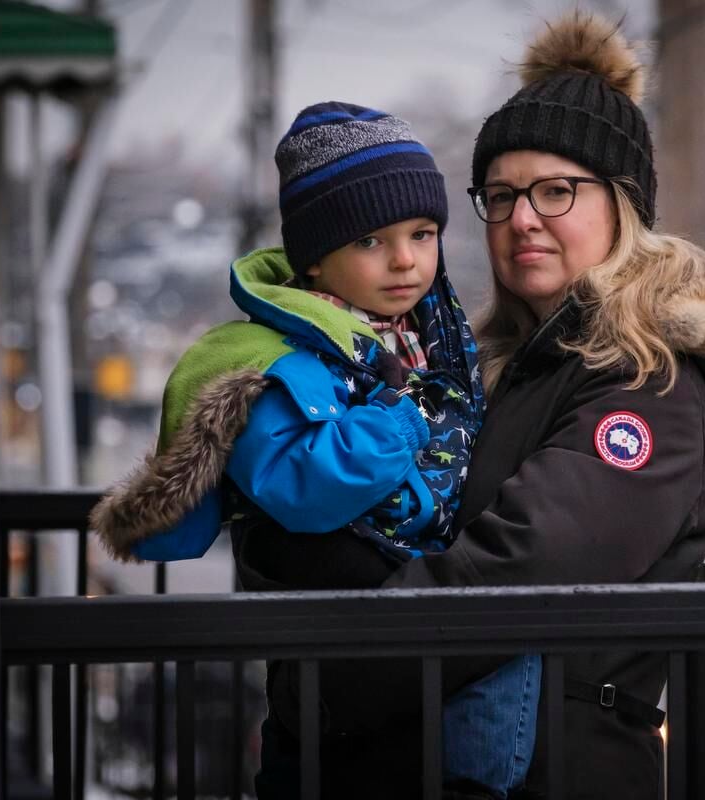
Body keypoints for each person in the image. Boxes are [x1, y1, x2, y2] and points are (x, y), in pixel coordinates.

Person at [311, 12, 705, 798]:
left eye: (555, 191)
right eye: (501, 195)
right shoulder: (497, 367)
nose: (521, 219)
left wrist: (330, 672)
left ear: (621, 204)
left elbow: (522, 566)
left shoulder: (652, 383)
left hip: (561, 772)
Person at [89, 103, 539, 800]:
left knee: (501, 661)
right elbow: (299, 488)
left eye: (423, 234)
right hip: (343, 645)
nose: (405, 260)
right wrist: (394, 426)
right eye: (372, 241)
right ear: (315, 259)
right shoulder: (268, 364)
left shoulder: (430, 339)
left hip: (416, 617)